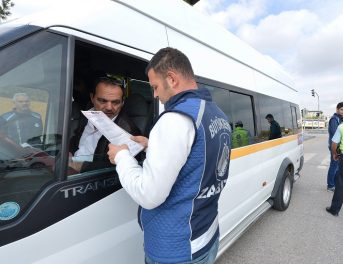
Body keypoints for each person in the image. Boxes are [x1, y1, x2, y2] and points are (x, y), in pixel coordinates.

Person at [107, 47, 231, 264]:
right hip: (206, 234)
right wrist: (151, 145)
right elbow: (198, 158)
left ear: (172, 79)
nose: (154, 94)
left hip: (176, 248)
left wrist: (122, 157)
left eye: (155, 86)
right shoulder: (216, 114)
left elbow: (149, 194)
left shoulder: (175, 119)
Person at [69, 76, 141, 172]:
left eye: (115, 102)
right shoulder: (85, 116)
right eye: (102, 101)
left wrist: (80, 166)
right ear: (92, 98)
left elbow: (121, 169)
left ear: (122, 102)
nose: (109, 107)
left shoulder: (128, 131)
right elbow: (75, 142)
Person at [326, 102, 343, 192]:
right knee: (334, 166)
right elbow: (335, 134)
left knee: (338, 166)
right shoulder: (334, 119)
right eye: (342, 109)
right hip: (335, 147)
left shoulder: (341, 119)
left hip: (340, 146)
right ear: (337, 109)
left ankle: (334, 184)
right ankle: (330, 186)